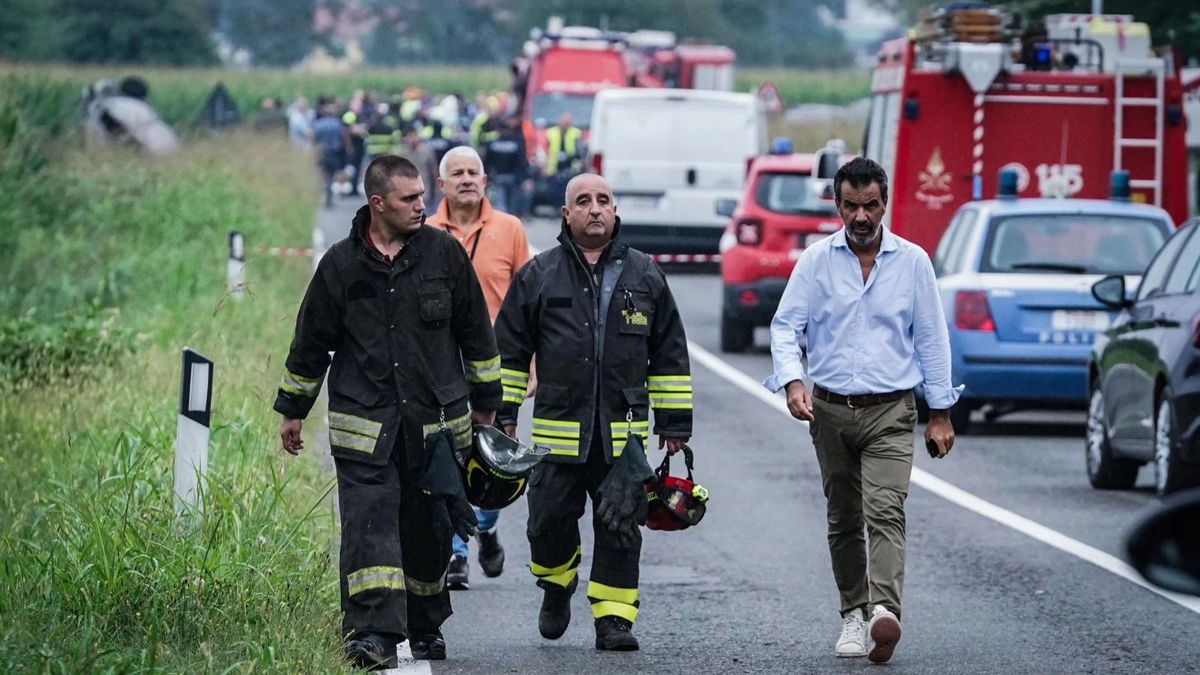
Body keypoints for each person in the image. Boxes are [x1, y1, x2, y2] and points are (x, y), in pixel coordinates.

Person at [274, 155, 502, 669]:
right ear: (377, 203)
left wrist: (489, 406)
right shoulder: (340, 265)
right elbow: (310, 342)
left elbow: (477, 335)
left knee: (427, 532)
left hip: (436, 428)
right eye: (409, 199)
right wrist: (293, 409)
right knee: (369, 527)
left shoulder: (444, 255)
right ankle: (371, 633)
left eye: (423, 195)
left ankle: (423, 624)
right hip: (365, 427)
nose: (423, 205)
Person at [762, 157, 960, 665]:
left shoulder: (914, 263)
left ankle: (883, 613)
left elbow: (933, 340)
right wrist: (792, 380)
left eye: (870, 205)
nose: (861, 216)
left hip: (891, 412)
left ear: (885, 202)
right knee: (843, 516)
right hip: (827, 412)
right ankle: (853, 611)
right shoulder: (815, 262)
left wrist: (940, 412)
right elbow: (786, 327)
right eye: (851, 206)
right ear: (837, 204)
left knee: (885, 510)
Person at [494, 173, 693, 652]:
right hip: (555, 437)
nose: (595, 209)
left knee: (621, 526)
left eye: (603, 200)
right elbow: (510, 352)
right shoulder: (539, 274)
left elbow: (669, 353)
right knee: (546, 526)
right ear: (567, 214)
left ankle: (614, 620)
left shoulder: (645, 275)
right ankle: (557, 585)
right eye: (583, 201)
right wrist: (503, 415)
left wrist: (674, 423)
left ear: (615, 210)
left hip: (623, 436)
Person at [426, 146, 532, 591]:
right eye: (457, 173)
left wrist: (534, 366)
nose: (467, 179)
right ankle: (457, 551)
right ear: (441, 184)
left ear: (485, 181)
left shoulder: (510, 229)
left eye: (474, 172)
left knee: (493, 462)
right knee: (448, 457)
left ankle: (485, 527)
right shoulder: (424, 231)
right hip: (442, 369)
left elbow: (531, 304)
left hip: (502, 368)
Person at [483, 116, 532, 216]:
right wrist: (524, 178)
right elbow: (521, 162)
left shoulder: (493, 144)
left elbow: (487, 162)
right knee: (511, 206)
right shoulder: (515, 143)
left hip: (498, 177)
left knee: (500, 205)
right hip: (513, 178)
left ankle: (504, 223)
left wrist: (486, 177)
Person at [312, 103, 349, 207]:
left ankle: (323, 196)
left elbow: (314, 138)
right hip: (334, 152)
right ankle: (329, 198)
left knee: (323, 175)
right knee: (331, 175)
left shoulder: (318, 124)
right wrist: (347, 148)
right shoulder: (337, 123)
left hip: (322, 152)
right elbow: (343, 136)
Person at [399, 126, 440, 212]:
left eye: (414, 136)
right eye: (410, 136)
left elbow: (434, 171)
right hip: (407, 189)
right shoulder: (403, 153)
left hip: (424, 190)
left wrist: (437, 188)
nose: (412, 139)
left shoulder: (427, 152)